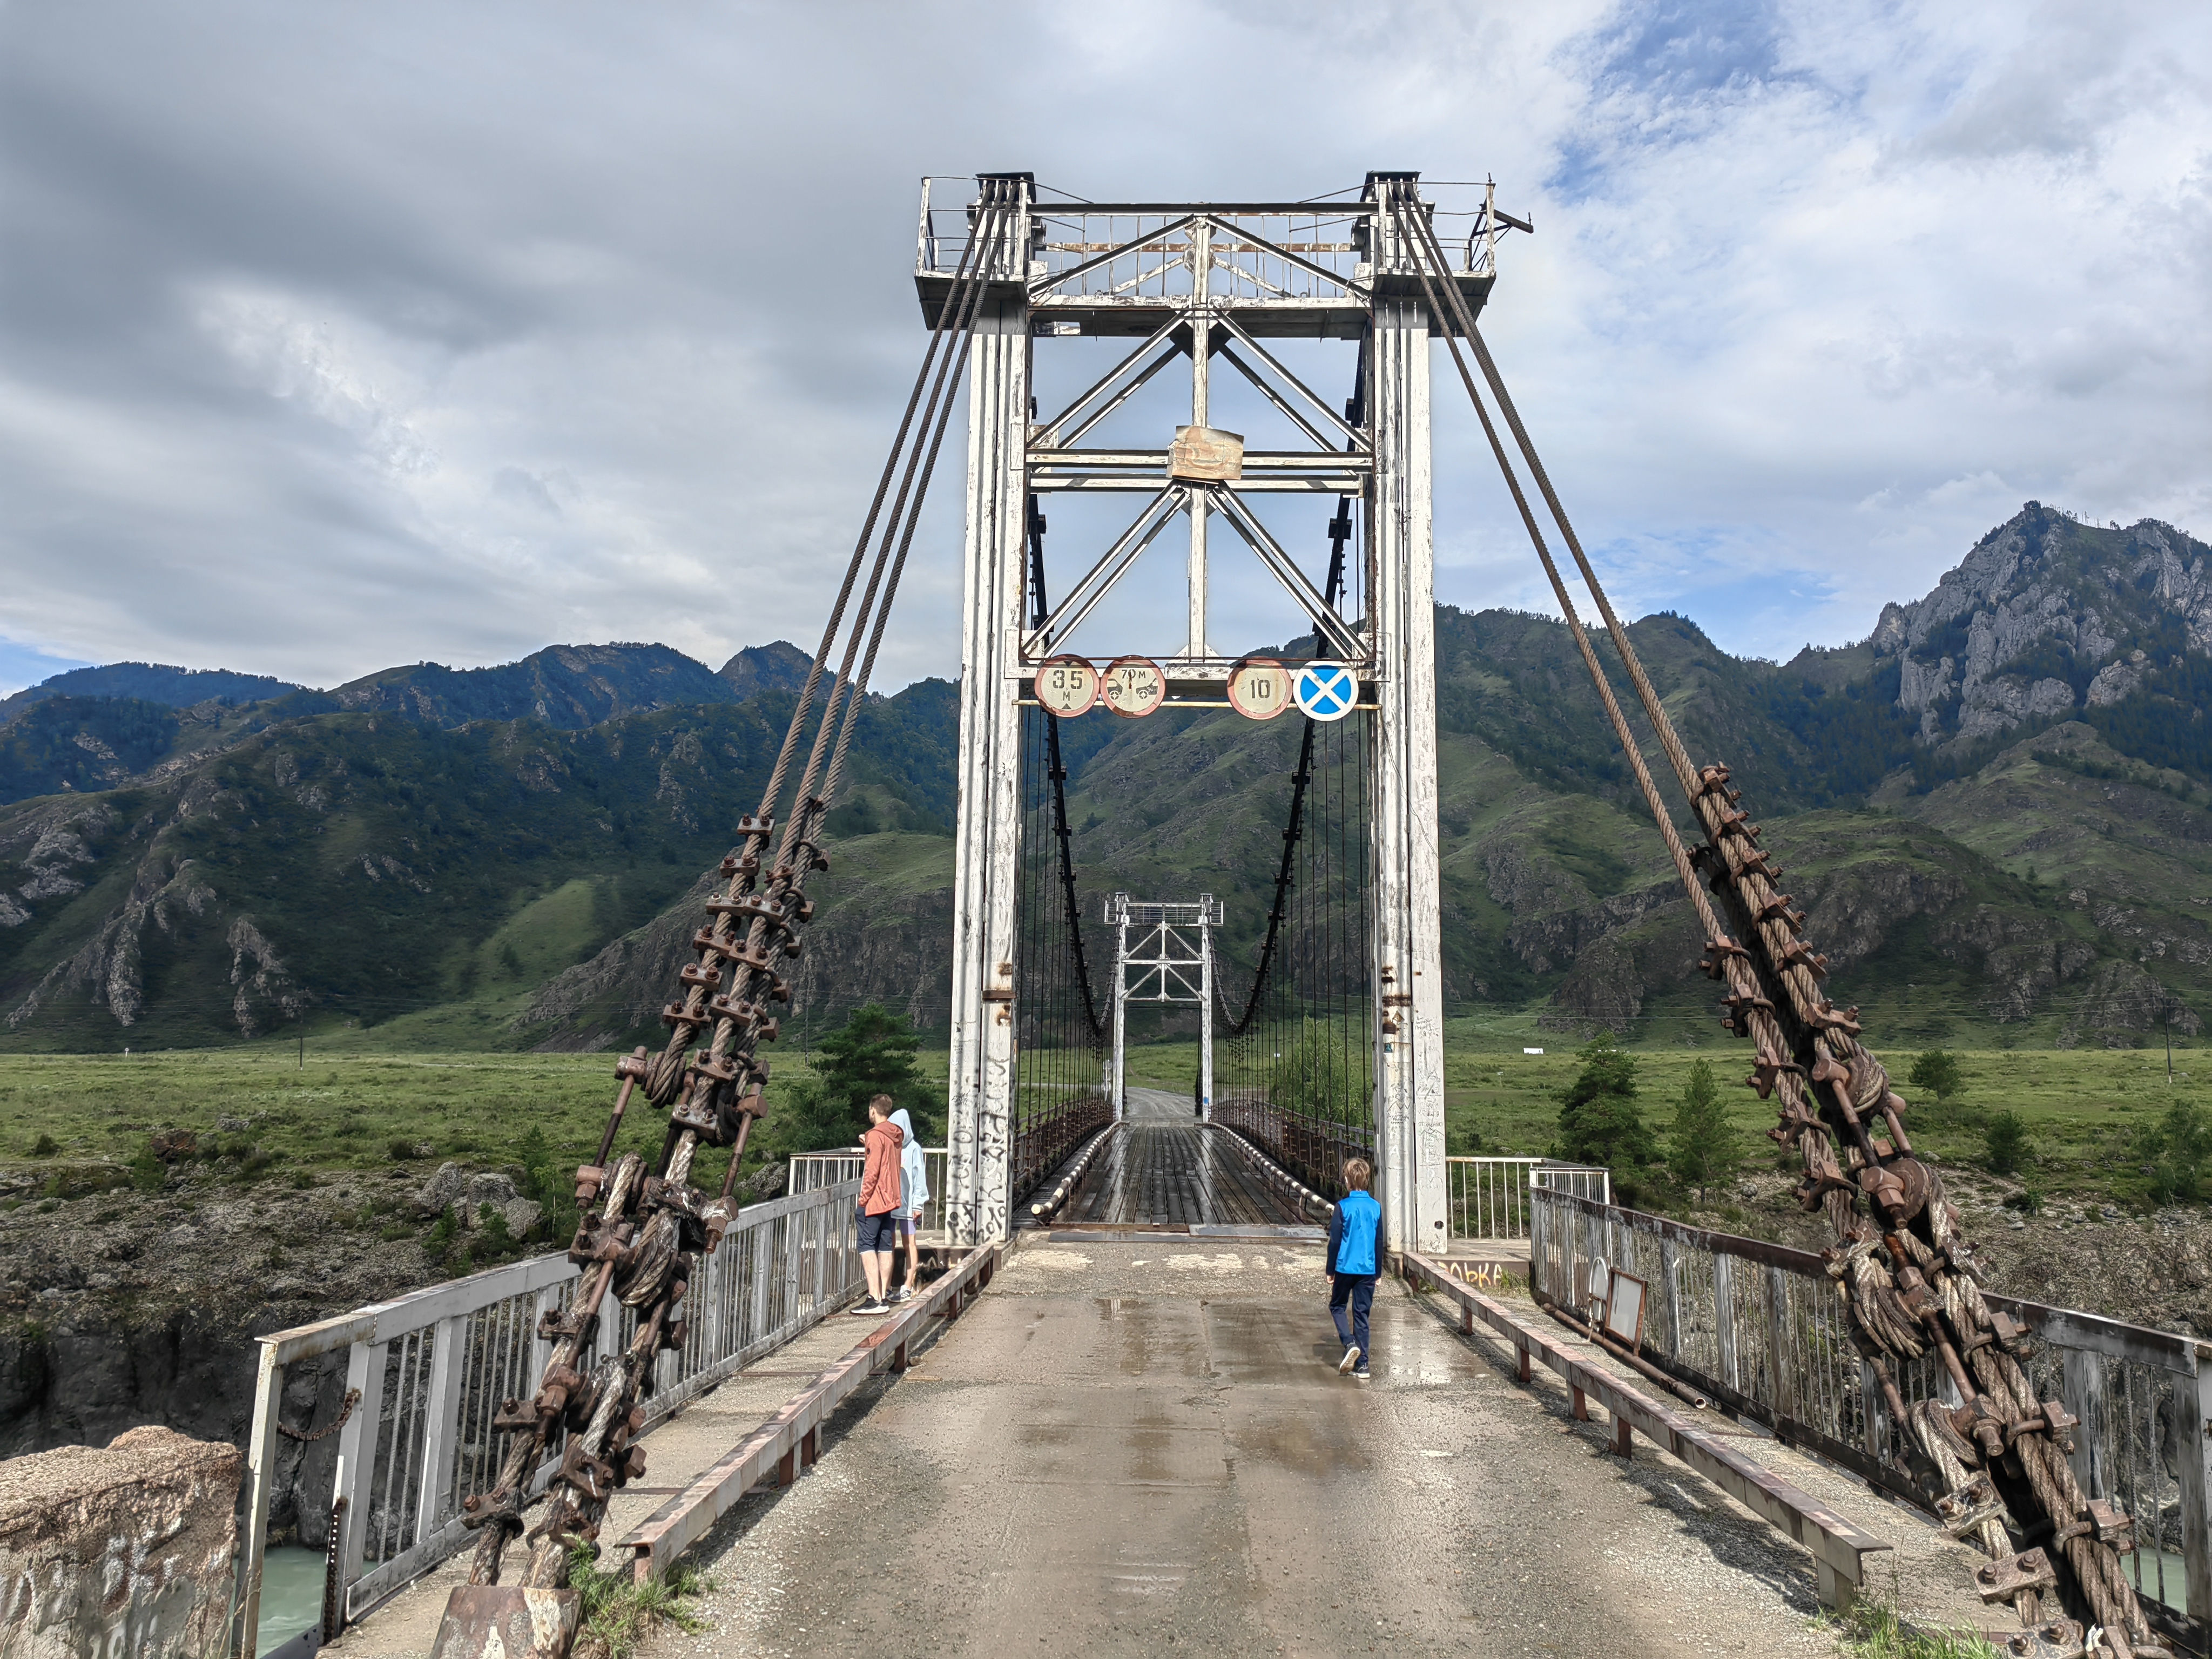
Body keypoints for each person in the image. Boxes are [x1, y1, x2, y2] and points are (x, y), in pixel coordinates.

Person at [1325, 1158, 1383, 1379]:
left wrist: (1330, 1269)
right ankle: (1364, 1366)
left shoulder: (1342, 1207)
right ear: (1367, 1180)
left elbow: (1335, 1242)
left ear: (1347, 1180)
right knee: (1362, 1315)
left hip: (1345, 1268)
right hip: (1368, 1269)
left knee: (1338, 1307)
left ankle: (1349, 1344)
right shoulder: (1376, 1207)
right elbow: (1379, 1242)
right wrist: (1378, 1272)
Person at [853, 1094, 904, 1316]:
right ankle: (883, 1295)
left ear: (873, 1110)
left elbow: (872, 1172)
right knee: (885, 1245)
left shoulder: (875, 1135)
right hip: (891, 1198)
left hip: (875, 1199)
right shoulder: (894, 1135)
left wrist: (862, 1200)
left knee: (866, 1244)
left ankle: (874, 1297)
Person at [887, 1107, 928, 1303]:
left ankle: (908, 1284)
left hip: (908, 1205)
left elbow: (918, 1178)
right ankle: (886, 1286)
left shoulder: (914, 1149)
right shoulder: (891, 1147)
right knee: (889, 1244)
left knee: (909, 1243)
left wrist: (918, 1204)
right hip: (891, 1205)